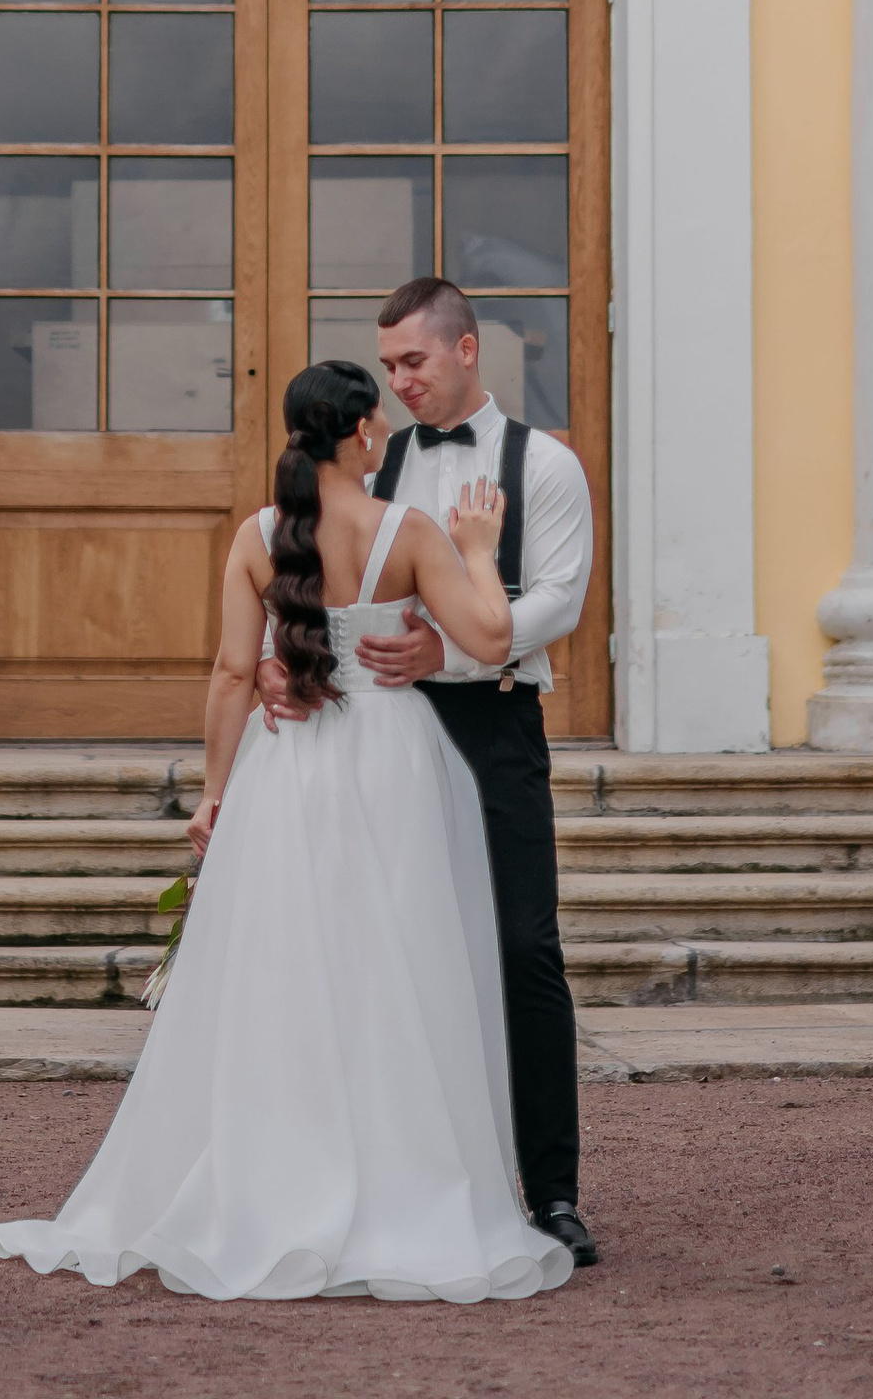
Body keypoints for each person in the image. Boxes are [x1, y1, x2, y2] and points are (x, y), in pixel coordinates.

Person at [0, 360, 575, 1305]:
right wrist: (477, 547)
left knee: (284, 971)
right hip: (391, 763)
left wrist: (214, 794)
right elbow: (493, 637)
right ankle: (403, 1181)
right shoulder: (411, 531)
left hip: (287, 769)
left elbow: (231, 672)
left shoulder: (259, 535)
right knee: (397, 969)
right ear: (364, 435)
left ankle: (272, 1179)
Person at [286, 275, 598, 1269]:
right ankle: (390, 1185)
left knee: (519, 948)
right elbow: (329, 575)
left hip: (494, 726)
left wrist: (452, 653)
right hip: (384, 726)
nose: (396, 382)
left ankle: (550, 1192)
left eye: (411, 360)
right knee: (386, 953)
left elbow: (558, 596)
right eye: (385, 366)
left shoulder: (547, 464)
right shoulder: (367, 465)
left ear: (467, 349)